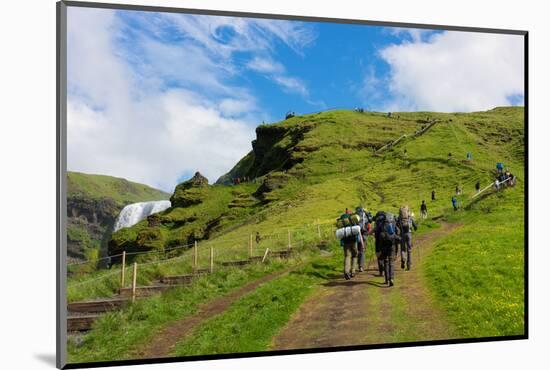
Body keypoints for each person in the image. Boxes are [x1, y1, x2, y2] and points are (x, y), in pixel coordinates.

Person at [378, 212, 400, 286]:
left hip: (384, 246)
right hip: (392, 246)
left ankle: (387, 280)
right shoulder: (393, 223)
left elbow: (378, 235)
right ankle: (392, 279)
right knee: (391, 263)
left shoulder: (382, 224)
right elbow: (398, 232)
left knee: (386, 262)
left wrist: (380, 249)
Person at [338, 210, 360, 280]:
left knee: (347, 256)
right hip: (353, 240)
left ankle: (346, 272)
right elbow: (357, 229)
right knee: (355, 255)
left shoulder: (342, 219)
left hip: (345, 241)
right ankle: (353, 271)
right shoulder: (352, 218)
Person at [397, 206, 418, 270]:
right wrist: (415, 228)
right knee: (409, 250)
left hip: (402, 234)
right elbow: (415, 226)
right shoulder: (410, 217)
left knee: (403, 249)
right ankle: (409, 265)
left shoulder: (399, 218)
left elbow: (397, 225)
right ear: (407, 211)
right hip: (409, 234)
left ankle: (403, 259)